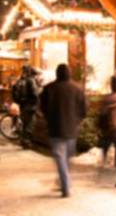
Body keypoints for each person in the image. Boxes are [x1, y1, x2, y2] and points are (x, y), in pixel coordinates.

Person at [40, 64, 87, 198]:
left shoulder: (49, 88)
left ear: (57, 73)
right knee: (66, 157)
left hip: (55, 128)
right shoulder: (77, 89)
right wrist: (78, 120)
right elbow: (84, 108)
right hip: (72, 129)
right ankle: (63, 182)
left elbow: (42, 107)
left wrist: (49, 118)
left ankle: (65, 186)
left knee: (60, 157)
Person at [11, 65, 41, 148]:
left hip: (23, 105)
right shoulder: (31, 80)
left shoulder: (20, 79)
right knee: (29, 125)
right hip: (30, 106)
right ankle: (26, 143)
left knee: (25, 124)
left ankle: (23, 141)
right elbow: (35, 94)